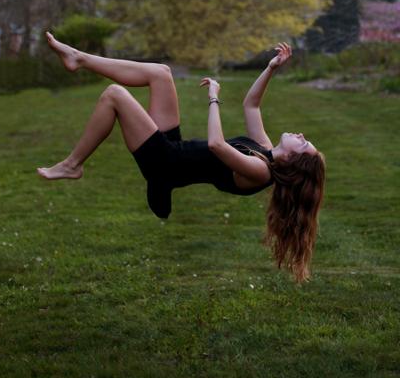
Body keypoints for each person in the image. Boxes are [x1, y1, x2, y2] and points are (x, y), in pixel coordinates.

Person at [38, 34, 325, 282]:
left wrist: (213, 97)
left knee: (115, 95)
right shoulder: (264, 149)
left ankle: (72, 165)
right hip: (174, 149)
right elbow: (251, 105)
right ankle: (78, 58)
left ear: (293, 161)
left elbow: (216, 145)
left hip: (164, 164)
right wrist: (271, 68)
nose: (301, 135)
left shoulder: (260, 171)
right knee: (161, 73)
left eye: (304, 143)